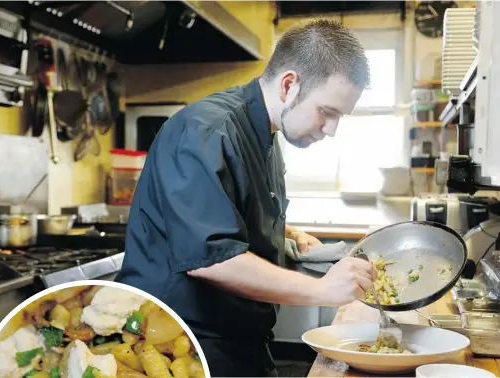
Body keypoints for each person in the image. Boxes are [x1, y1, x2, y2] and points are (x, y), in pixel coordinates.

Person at [116, 19, 377, 377]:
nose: (331, 130)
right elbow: (211, 258)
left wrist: (289, 234)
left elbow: (232, 212)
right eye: (327, 112)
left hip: (236, 341)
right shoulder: (206, 131)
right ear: (289, 84)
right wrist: (323, 290)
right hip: (180, 348)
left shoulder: (265, 136)